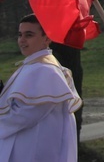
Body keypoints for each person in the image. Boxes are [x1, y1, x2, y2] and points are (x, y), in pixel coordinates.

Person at [0, 14, 81, 162]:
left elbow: (25, 115)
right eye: (20, 35)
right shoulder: (32, 66)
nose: (22, 40)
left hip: (36, 149)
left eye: (29, 35)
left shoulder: (45, 70)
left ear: (47, 38)